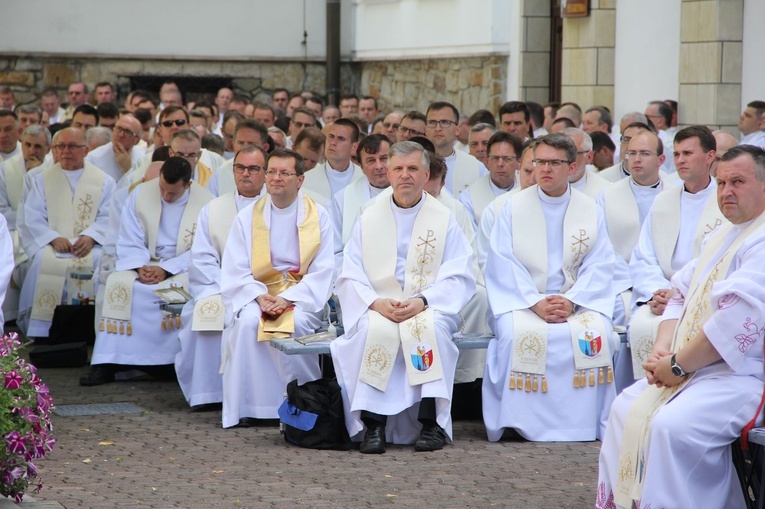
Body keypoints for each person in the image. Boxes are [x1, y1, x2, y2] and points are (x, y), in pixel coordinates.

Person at [596, 145, 765, 509]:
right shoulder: (722, 235)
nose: (726, 192)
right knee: (625, 407)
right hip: (697, 370)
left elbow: (733, 325)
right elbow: (678, 294)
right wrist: (663, 344)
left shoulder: (762, 240)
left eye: (737, 182)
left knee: (671, 427)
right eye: (721, 183)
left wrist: (676, 366)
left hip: (744, 377)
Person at [331, 141, 476, 453]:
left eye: (413, 168)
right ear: (389, 172)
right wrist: (375, 302)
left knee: (430, 330)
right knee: (373, 329)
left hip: (427, 305)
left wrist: (422, 301)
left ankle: (430, 424)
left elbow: (460, 273)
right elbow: (349, 271)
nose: (405, 175)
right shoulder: (369, 215)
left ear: (426, 174)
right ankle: (373, 425)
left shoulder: (444, 218)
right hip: (380, 304)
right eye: (398, 168)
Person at [482, 133, 617, 442]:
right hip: (523, 302)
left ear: (572, 167)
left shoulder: (589, 208)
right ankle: (519, 422)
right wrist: (534, 302)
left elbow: (600, 262)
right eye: (540, 162)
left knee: (600, 335)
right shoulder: (512, 207)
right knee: (515, 336)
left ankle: (584, 424)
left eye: (554, 163)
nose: (545, 169)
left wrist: (572, 301)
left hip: (575, 302)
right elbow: (502, 261)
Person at [219, 148, 334, 428]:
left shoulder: (319, 217)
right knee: (247, 323)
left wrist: (287, 298)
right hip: (259, 295)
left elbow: (324, 271)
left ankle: (301, 404)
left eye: (285, 173)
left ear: (300, 180)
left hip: (301, 297)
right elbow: (235, 268)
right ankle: (251, 407)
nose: (276, 178)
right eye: (271, 171)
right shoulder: (247, 218)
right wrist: (259, 297)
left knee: (294, 324)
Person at [81, 157, 212, 385]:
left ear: (188, 185)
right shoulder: (141, 194)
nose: (164, 196)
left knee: (184, 291)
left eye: (172, 193)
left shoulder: (206, 203)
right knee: (117, 284)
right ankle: (107, 363)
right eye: (162, 188)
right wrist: (140, 266)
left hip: (181, 267)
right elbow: (130, 236)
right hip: (143, 262)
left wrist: (166, 269)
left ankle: (169, 363)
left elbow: (203, 248)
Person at [627, 126, 727, 383]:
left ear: (710, 157)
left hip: (701, 298)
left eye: (688, 153)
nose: (681, 160)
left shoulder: (726, 201)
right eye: (677, 154)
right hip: (660, 296)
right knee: (639, 326)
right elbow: (643, 256)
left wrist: (680, 294)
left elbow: (726, 261)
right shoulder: (662, 201)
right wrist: (656, 292)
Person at [176, 145, 267, 410]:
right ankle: (208, 394)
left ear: (265, 172)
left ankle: (252, 397)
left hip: (265, 290)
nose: (245, 174)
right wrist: (231, 288)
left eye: (253, 168)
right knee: (202, 313)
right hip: (221, 287)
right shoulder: (213, 209)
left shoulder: (276, 206)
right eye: (240, 167)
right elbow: (202, 259)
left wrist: (253, 291)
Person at [18, 128, 115, 338]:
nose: (65, 151)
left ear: (85, 150)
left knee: (100, 262)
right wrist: (53, 238)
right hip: (54, 245)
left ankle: (91, 328)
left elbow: (110, 217)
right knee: (42, 261)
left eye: (72, 146)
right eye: (60, 146)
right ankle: (43, 330)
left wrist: (90, 236)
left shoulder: (105, 181)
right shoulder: (41, 180)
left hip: (89, 246)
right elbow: (32, 216)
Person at [330, 134, 390, 273]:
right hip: (355, 275)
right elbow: (335, 250)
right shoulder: (343, 198)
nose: (379, 166)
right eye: (371, 160)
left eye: (384, 158)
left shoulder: (409, 195)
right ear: (361, 167)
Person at [459, 131, 522, 229]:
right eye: (495, 158)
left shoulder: (526, 188)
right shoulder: (469, 197)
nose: (500, 164)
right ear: (487, 161)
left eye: (507, 159)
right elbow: (469, 237)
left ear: (519, 162)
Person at [426, 101, 488, 195]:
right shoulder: (414, 163)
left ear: (457, 130)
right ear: (425, 129)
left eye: (445, 122)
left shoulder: (476, 167)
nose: (438, 128)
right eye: (432, 122)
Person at [301, 118, 362, 202]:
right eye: (331, 136)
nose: (333, 142)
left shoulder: (364, 178)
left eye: (341, 139)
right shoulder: (307, 179)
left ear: (354, 147)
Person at [85, 114, 144, 183]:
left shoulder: (143, 160)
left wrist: (128, 169)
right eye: (118, 129)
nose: (121, 135)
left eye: (128, 132)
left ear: (137, 141)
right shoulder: (93, 158)